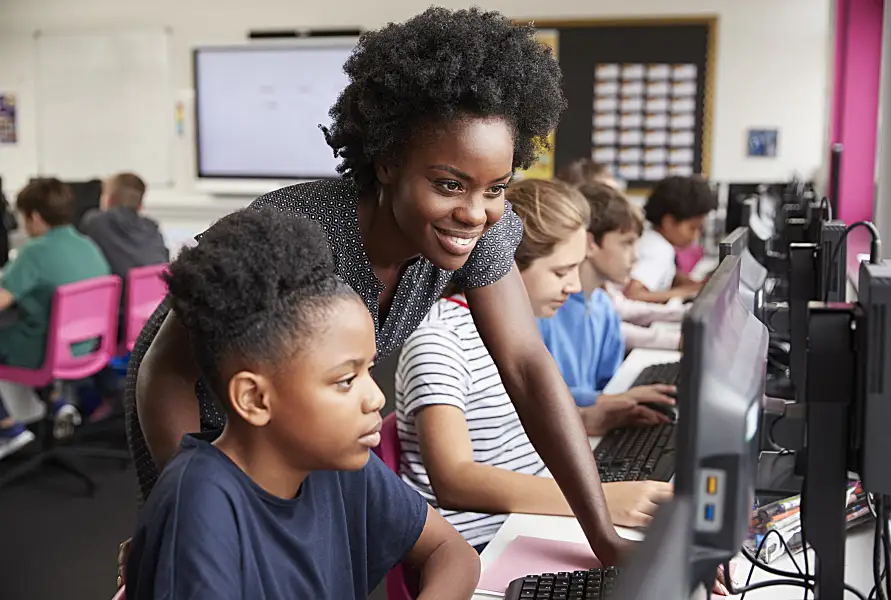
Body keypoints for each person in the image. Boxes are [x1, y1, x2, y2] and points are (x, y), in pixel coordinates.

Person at [122, 7, 632, 573]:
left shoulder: (480, 227)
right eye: (447, 184)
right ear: (387, 163)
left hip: (305, 432)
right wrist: (191, 505)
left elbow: (527, 366)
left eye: (497, 187)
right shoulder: (302, 231)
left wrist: (601, 536)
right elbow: (165, 375)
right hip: (203, 425)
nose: (474, 212)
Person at [125, 208, 478, 599]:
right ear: (255, 399)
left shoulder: (334, 460)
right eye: (346, 380)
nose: (376, 398)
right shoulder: (200, 510)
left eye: (369, 370)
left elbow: (452, 552)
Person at [394, 179, 673, 551]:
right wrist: (603, 500)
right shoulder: (440, 340)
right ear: (507, 265)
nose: (574, 286)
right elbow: (455, 479)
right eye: (561, 272)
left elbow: (501, 431)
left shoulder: (520, 329)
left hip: (525, 518)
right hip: (483, 546)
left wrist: (591, 419)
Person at [539, 181, 680, 402]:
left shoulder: (603, 307)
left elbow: (609, 383)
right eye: (626, 244)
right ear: (591, 243)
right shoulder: (546, 309)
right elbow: (538, 397)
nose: (635, 257)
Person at [0, 178, 110, 458]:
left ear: (34, 216)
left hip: (48, 353)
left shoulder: (34, 252)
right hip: (88, 348)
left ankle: (7, 428)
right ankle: (57, 402)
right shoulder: (88, 245)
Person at [81, 172, 170, 325]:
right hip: (151, 316)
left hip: (117, 318)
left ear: (107, 199)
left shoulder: (95, 222)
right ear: (140, 204)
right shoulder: (153, 228)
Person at [624, 175, 718, 303]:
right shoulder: (659, 250)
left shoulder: (650, 239)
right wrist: (687, 292)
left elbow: (662, 274)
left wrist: (686, 281)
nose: (696, 235)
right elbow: (633, 294)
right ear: (669, 222)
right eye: (693, 228)